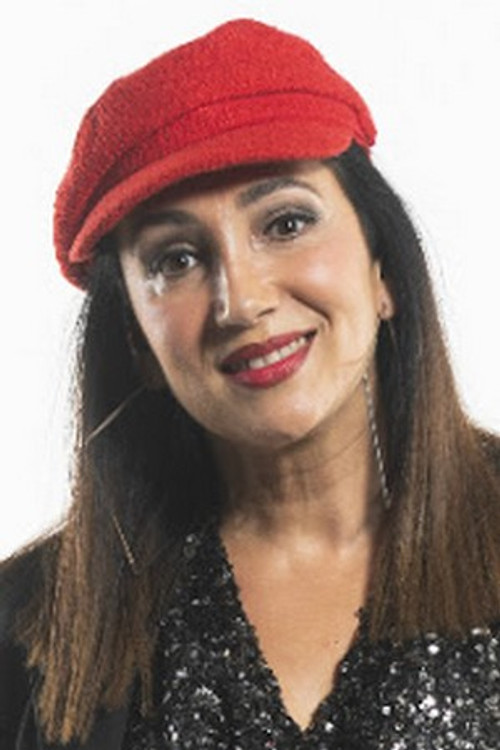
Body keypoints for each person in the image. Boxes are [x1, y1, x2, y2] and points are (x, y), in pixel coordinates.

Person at [1, 17, 500, 750]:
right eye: (176, 259)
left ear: (383, 271)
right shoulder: (25, 629)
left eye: (286, 223)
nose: (241, 300)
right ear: (136, 341)